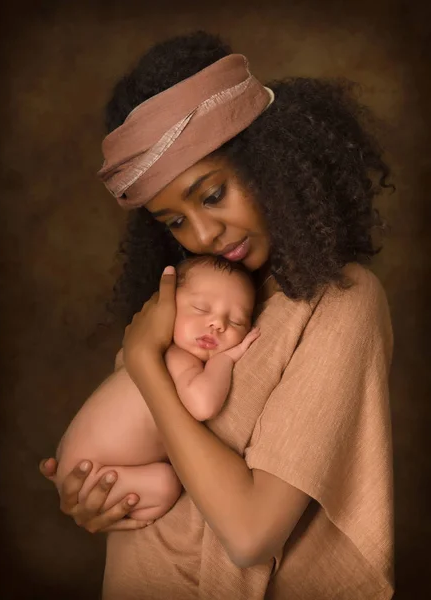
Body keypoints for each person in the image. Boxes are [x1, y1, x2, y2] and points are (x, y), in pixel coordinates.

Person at [39, 31, 394, 600]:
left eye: (211, 195)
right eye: (174, 221)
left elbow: (251, 534)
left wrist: (144, 362)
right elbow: (146, 452)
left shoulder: (341, 302)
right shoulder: (191, 302)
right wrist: (97, 493)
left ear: (269, 162)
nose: (202, 234)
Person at [55, 255, 260, 521]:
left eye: (236, 322)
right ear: (165, 307)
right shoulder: (175, 358)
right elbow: (203, 405)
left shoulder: (145, 357)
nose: (218, 324)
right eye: (200, 308)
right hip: (90, 475)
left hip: (76, 462)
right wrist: (225, 360)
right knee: (166, 483)